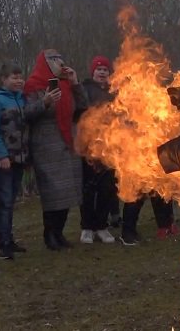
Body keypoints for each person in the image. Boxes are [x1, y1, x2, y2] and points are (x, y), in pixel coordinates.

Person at [0, 63, 45, 259]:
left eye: (20, 77)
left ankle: (8, 239)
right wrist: (1, 156)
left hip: (20, 158)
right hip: (4, 160)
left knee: (11, 201)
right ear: (3, 79)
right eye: (13, 77)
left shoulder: (23, 99)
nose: (18, 81)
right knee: (4, 201)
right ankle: (2, 244)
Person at [24, 50, 86, 250]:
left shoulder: (66, 84)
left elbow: (82, 106)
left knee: (68, 192)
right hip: (47, 146)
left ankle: (59, 233)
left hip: (67, 143)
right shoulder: (34, 85)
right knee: (53, 192)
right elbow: (27, 113)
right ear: (44, 63)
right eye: (54, 60)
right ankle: (49, 234)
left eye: (61, 58)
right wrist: (45, 102)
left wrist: (75, 82)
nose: (60, 62)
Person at [78, 55, 118, 244]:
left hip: (110, 146)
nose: (102, 72)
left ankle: (102, 227)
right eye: (99, 69)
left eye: (105, 70)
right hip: (89, 146)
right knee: (88, 189)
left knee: (107, 188)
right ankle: (87, 227)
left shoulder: (113, 92)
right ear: (92, 71)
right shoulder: (84, 89)